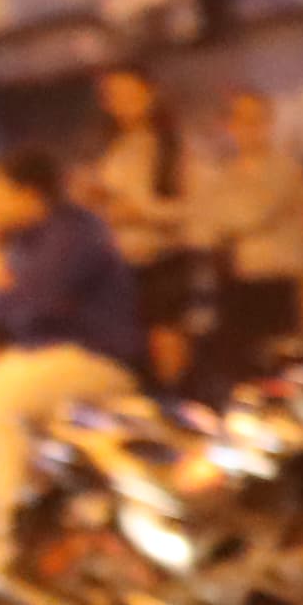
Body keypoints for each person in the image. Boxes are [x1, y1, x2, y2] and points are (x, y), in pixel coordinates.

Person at [0, 149, 150, 605]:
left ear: (28, 194)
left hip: (94, 357)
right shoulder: (21, 241)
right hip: (37, 357)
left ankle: (8, 541)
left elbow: (33, 305)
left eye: (0, 194)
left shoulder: (75, 234)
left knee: (6, 411)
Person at [188, 86, 303, 391]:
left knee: (283, 376)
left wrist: (221, 212)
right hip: (235, 288)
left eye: (258, 120)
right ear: (228, 126)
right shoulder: (223, 174)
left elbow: (247, 214)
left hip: (275, 287)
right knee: (241, 380)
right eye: (241, 120)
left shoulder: (285, 169)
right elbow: (202, 228)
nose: (250, 129)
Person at [86, 65, 198, 383]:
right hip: (120, 263)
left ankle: (176, 398)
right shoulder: (111, 148)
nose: (122, 102)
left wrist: (141, 212)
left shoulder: (173, 147)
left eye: (129, 93)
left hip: (162, 259)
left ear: (150, 94)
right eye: (113, 96)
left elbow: (193, 208)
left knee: (166, 341)